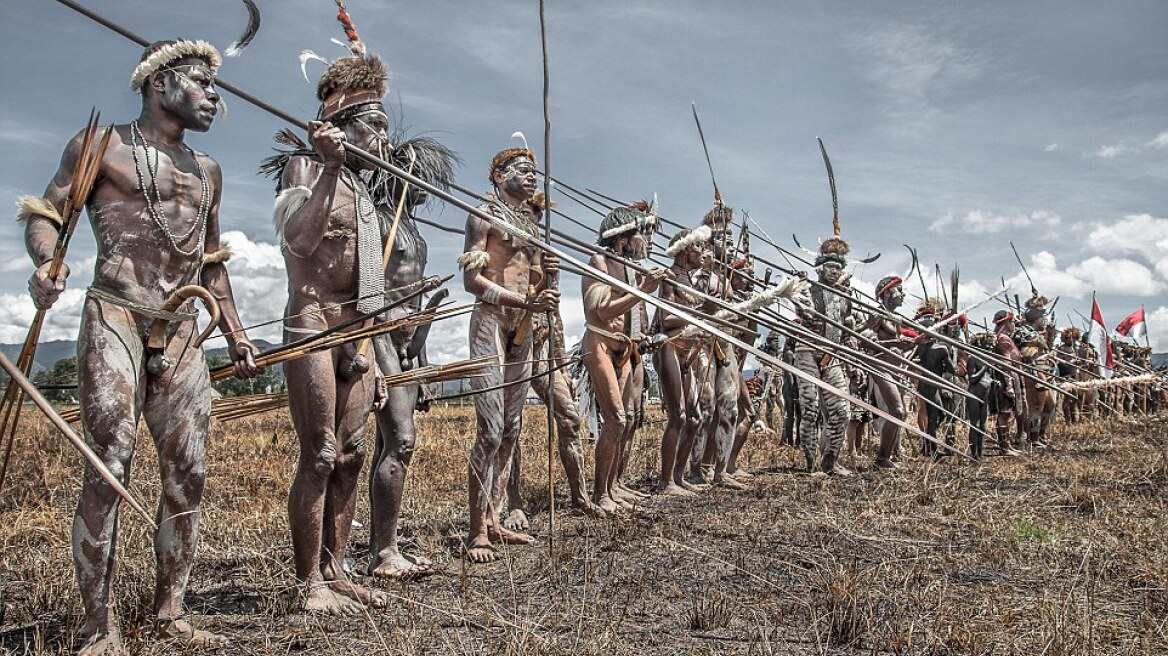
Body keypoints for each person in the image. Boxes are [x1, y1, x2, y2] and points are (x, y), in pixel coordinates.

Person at [20, 39, 260, 653]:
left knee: (191, 470)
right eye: (203, 83)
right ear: (160, 83)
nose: (215, 96)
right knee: (111, 456)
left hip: (182, 326)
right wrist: (49, 261)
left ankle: (170, 609)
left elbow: (210, 264)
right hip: (117, 313)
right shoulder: (101, 147)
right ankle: (98, 626)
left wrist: (234, 333)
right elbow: (46, 212)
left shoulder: (207, 171)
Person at [273, 50, 392, 613]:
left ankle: (335, 569)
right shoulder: (306, 168)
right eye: (374, 127)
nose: (384, 142)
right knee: (319, 453)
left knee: (352, 453)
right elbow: (298, 242)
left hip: (358, 334)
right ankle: (307, 585)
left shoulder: (369, 192)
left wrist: (372, 353)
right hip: (313, 322)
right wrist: (327, 166)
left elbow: (368, 277)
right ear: (341, 127)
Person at [460, 140, 558, 562]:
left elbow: (535, 283)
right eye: (520, 169)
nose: (531, 175)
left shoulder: (533, 225)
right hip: (492, 319)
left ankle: (496, 518)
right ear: (499, 177)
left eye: (533, 170)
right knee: (492, 427)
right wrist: (522, 303)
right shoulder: (483, 214)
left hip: (524, 325)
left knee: (513, 428)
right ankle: (477, 529)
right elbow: (472, 281)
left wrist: (547, 283)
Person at [579, 204, 667, 513]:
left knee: (626, 420)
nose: (646, 240)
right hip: (600, 344)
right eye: (641, 234)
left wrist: (644, 339)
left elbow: (633, 314)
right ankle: (601, 493)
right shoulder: (599, 262)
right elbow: (603, 311)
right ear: (622, 240)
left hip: (626, 348)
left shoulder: (631, 268)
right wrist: (644, 289)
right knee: (615, 419)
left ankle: (614, 486)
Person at [651, 226, 713, 496]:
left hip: (687, 351)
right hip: (670, 348)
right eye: (699, 247)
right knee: (678, 416)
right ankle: (666, 482)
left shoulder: (689, 279)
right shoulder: (670, 277)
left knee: (695, 418)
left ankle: (678, 475)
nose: (704, 252)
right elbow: (666, 319)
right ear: (686, 250)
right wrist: (696, 314)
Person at [792, 237, 854, 475]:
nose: (833, 271)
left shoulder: (845, 298)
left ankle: (830, 461)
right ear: (819, 268)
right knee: (810, 409)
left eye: (838, 268)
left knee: (841, 411)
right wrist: (798, 289)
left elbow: (848, 330)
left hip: (832, 355)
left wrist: (853, 361)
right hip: (807, 352)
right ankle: (810, 464)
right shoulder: (807, 290)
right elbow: (804, 314)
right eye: (830, 267)